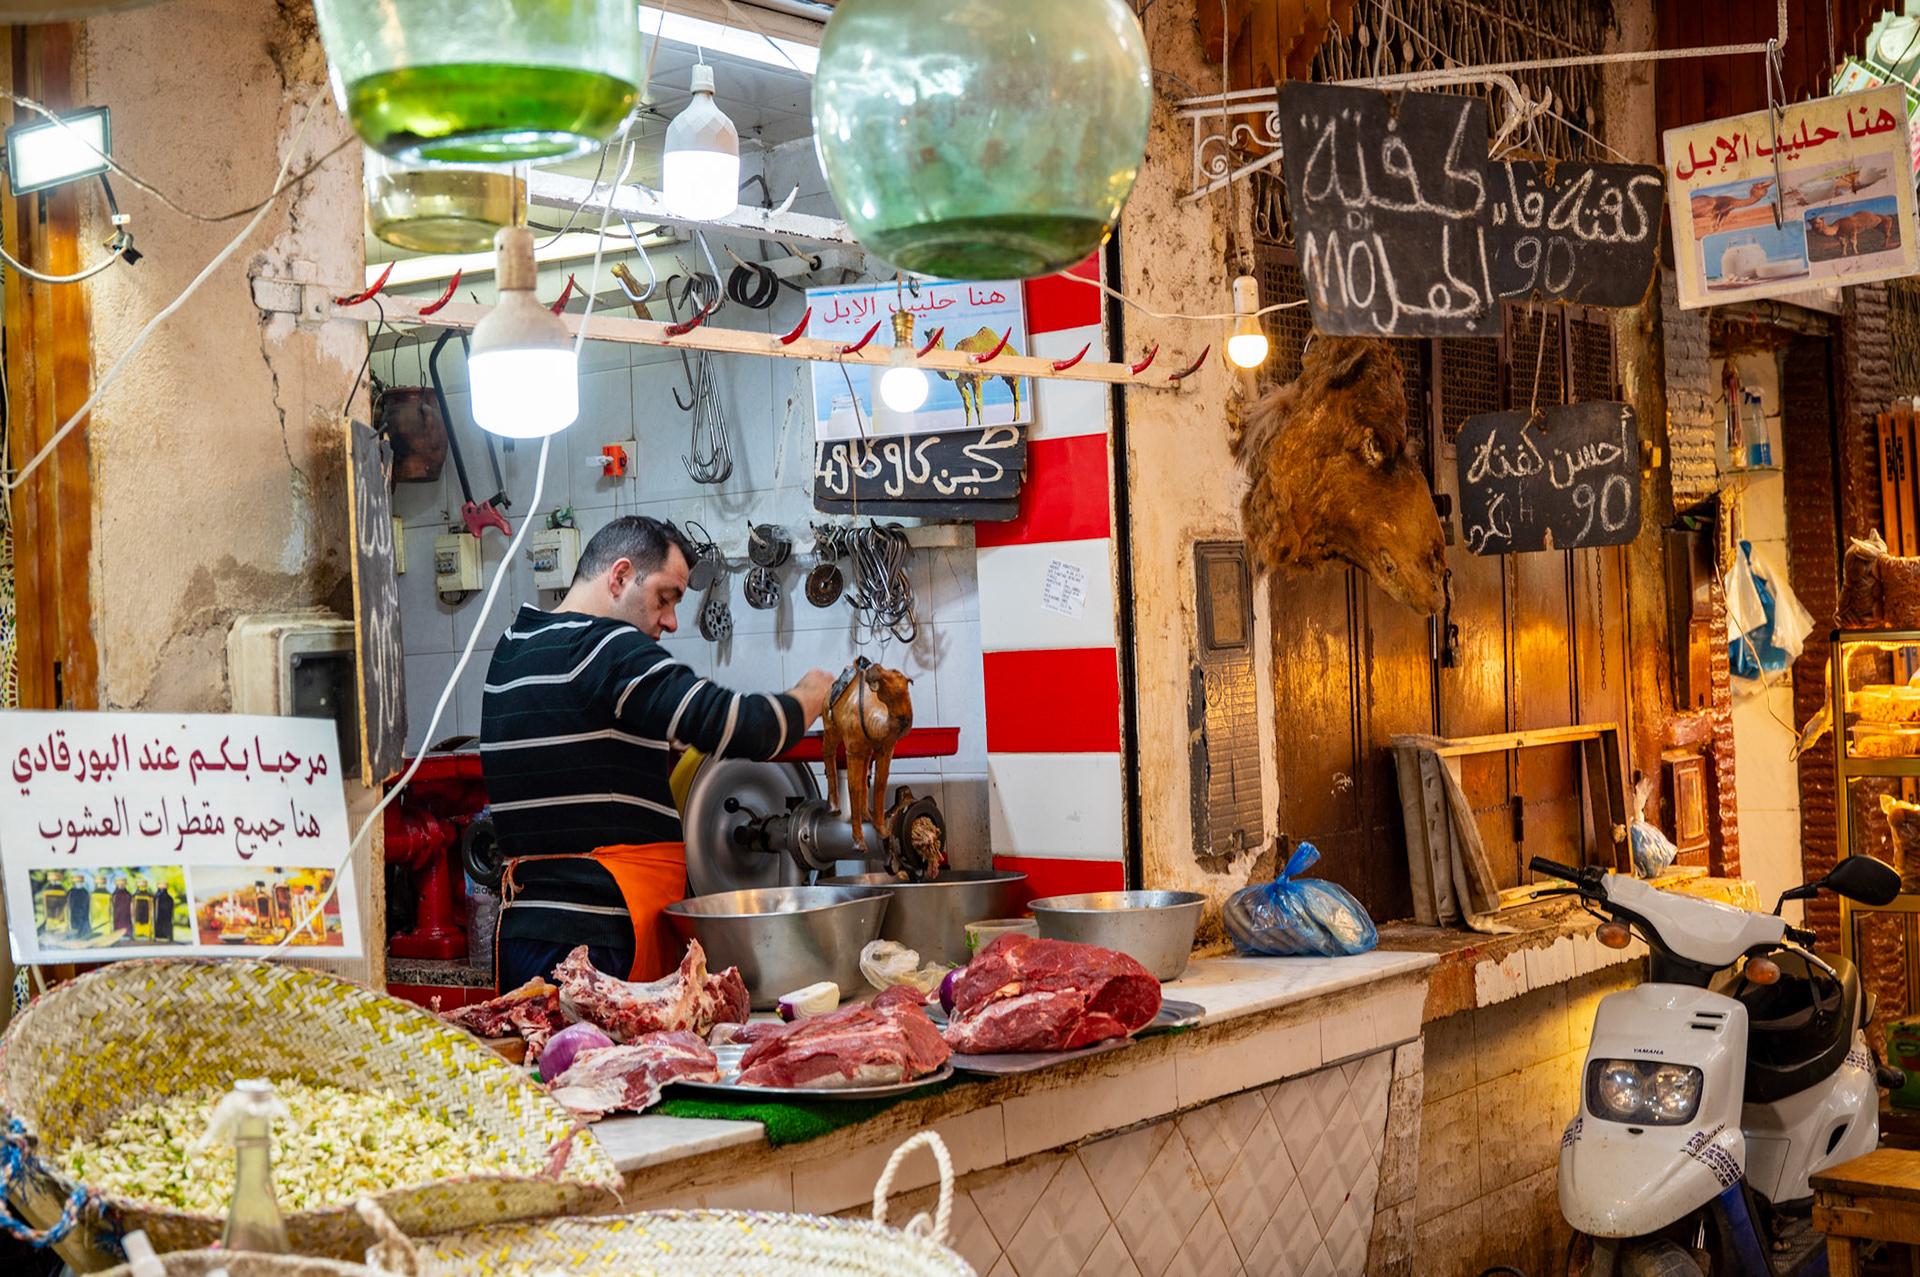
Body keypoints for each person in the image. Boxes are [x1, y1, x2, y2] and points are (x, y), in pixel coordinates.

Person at [481, 515, 834, 992]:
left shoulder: (512, 649)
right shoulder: (608, 647)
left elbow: (578, 743)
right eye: (665, 598)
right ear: (620, 576)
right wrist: (810, 695)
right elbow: (741, 727)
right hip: (601, 946)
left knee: (541, 1067)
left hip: (523, 937)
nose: (669, 621)